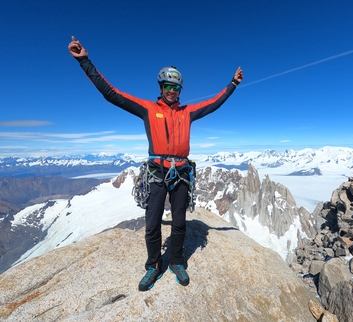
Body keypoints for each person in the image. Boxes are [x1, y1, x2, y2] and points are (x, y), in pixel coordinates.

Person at [68, 36, 243, 291]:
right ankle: (153, 265)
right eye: (167, 86)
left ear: (180, 91)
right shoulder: (148, 109)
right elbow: (112, 94)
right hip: (157, 172)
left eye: (176, 88)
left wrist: (232, 84)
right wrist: (85, 61)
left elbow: (213, 104)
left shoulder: (187, 113)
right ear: (161, 87)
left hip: (181, 172)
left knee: (180, 222)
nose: (172, 91)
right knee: (152, 223)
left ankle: (176, 261)